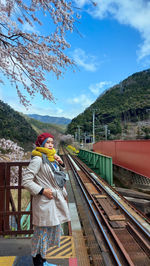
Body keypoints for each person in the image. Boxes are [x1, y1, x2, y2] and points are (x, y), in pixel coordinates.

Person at [22, 132, 70, 266]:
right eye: (47, 142)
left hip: (53, 201)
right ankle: (38, 263)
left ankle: (43, 261)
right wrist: (42, 191)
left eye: (52, 142)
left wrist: (60, 164)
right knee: (40, 234)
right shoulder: (38, 159)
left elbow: (57, 177)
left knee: (47, 234)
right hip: (45, 201)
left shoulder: (50, 158)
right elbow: (26, 181)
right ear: (41, 144)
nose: (50, 145)